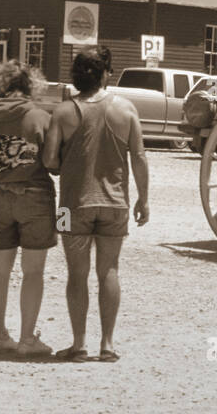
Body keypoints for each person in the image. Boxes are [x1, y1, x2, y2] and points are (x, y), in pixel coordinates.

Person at [43, 47, 149, 363]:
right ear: (104, 73)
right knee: (110, 270)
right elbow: (140, 157)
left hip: (71, 205)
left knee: (76, 274)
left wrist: (68, 159)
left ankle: (78, 344)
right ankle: (108, 344)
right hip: (116, 203)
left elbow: (49, 160)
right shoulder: (126, 110)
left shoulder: (62, 112)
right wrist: (144, 198)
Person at [0, 60, 56, 356]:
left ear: (0, 85)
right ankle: (27, 339)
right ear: (30, 86)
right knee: (33, 272)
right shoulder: (39, 115)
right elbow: (52, 161)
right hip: (34, 196)